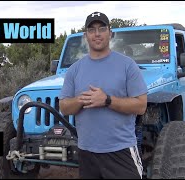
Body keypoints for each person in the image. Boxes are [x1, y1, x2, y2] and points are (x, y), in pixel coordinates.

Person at [58, 11, 148, 179]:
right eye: (92, 30)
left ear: (110, 33)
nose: (97, 34)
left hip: (120, 151)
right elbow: (64, 107)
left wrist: (107, 100)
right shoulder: (74, 70)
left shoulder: (127, 65)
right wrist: (80, 99)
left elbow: (141, 106)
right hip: (86, 152)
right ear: (86, 35)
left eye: (102, 28)